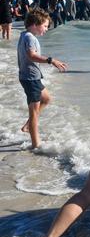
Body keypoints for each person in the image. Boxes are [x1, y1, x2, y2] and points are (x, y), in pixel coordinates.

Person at [16, 8, 67, 149]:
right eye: (44, 26)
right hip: (30, 78)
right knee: (33, 112)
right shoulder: (30, 38)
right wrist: (51, 60)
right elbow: (31, 56)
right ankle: (35, 144)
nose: (46, 29)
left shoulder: (24, 35)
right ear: (35, 24)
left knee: (47, 99)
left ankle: (28, 126)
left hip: (32, 77)